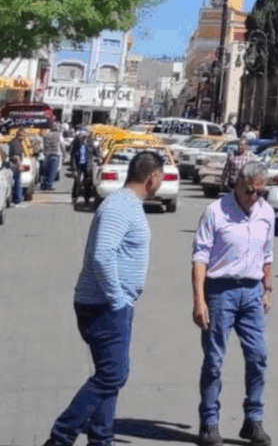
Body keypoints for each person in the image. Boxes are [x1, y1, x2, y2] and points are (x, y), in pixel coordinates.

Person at [42, 151, 165, 446]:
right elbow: (102, 254)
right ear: (153, 178)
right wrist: (117, 298)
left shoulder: (127, 204)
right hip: (104, 306)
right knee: (113, 375)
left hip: (111, 305)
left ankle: (101, 439)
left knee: (108, 376)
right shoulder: (121, 206)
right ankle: (61, 436)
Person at [192, 161, 275, 446]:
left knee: (258, 357)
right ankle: (209, 422)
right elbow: (200, 258)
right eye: (250, 191)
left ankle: (253, 420)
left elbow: (267, 254)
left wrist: (268, 288)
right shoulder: (215, 212)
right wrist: (199, 300)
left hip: (252, 293)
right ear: (237, 185)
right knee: (214, 361)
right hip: (220, 292)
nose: (254, 197)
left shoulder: (266, 213)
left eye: (260, 192)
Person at [41, 126, 63, 190]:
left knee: (47, 171)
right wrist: (65, 154)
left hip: (47, 155)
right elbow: (62, 144)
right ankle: (49, 185)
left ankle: (44, 184)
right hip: (55, 154)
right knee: (53, 171)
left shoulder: (46, 135)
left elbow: (43, 145)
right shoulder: (59, 135)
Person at [8, 128, 25, 205]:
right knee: (18, 182)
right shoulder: (16, 143)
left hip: (12, 165)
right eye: (23, 136)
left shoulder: (14, 142)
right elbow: (16, 156)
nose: (24, 138)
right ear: (19, 135)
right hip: (14, 165)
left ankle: (16, 198)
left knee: (15, 182)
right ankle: (18, 199)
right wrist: (20, 165)